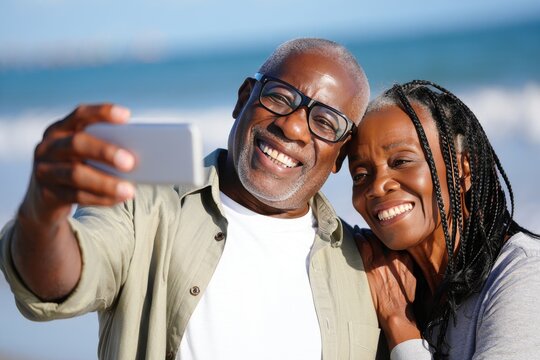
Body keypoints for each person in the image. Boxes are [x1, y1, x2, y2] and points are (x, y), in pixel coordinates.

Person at [0, 38, 383, 359]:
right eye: (280, 98)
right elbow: (58, 280)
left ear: (341, 156)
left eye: (325, 122)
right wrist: (43, 211)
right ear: (244, 98)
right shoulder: (144, 204)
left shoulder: (362, 262)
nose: (293, 126)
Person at [347, 80, 540, 359]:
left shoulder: (521, 274)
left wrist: (399, 323)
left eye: (401, 161)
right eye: (360, 175)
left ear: (463, 169)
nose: (377, 187)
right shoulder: (392, 279)